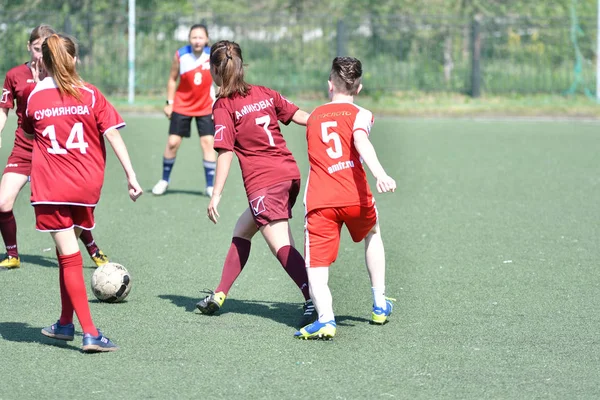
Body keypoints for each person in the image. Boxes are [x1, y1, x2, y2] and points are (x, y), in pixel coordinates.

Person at [21, 34, 143, 352]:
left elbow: (31, 131)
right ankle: (64, 323)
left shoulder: (35, 97)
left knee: (68, 256)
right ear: (75, 60)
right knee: (69, 253)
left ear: (42, 62)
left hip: (52, 186)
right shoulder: (89, 94)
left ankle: (89, 333)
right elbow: (112, 134)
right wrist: (131, 175)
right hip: (86, 185)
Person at [195, 40, 315, 326]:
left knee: (281, 246)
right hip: (289, 175)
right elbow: (298, 115)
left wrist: (216, 194)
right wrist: (325, 122)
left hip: (265, 183)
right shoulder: (264, 92)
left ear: (214, 69)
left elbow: (225, 151)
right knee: (243, 229)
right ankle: (220, 294)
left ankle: (315, 299)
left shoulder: (223, 105)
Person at [294, 57, 396, 340]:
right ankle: (379, 303)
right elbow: (361, 141)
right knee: (372, 233)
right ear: (359, 88)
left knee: (316, 265)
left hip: (320, 200)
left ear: (329, 85)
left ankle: (326, 319)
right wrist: (380, 174)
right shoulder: (361, 113)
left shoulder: (314, 116)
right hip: (355, 195)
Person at [0, 25, 110, 271]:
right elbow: (4, 109)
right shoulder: (15, 75)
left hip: (54, 152)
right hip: (24, 149)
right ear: (29, 47)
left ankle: (92, 247)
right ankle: (12, 254)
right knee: (3, 203)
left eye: (45, 50)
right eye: (37, 49)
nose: (40, 55)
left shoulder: (58, 78)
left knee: (68, 209)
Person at [152, 24, 216, 197]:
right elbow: (172, 79)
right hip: (182, 105)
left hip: (205, 107)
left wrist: (219, 104)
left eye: (200, 37)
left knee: (208, 143)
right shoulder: (181, 55)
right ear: (189, 39)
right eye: (194, 37)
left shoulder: (213, 56)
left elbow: (221, 81)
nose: (197, 41)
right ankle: (164, 180)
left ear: (207, 39)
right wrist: (170, 102)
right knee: (173, 143)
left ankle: (210, 186)